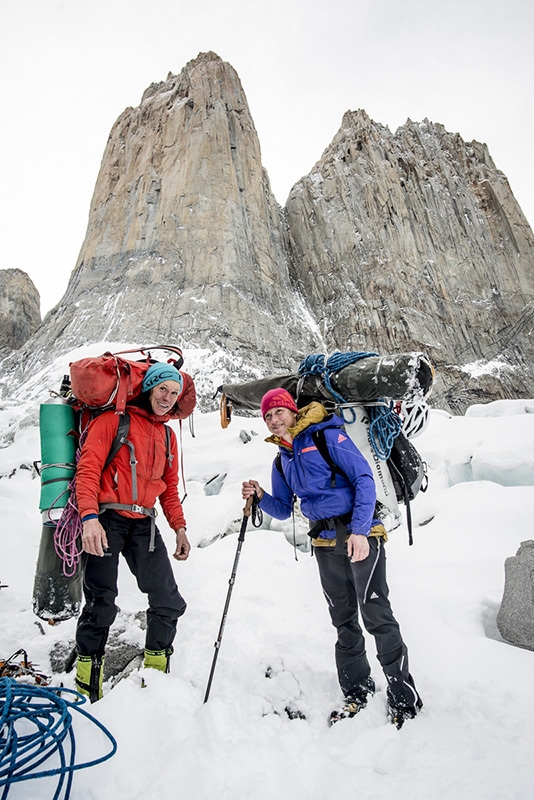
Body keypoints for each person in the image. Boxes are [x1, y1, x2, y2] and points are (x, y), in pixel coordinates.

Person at [242, 387, 422, 727]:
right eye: (267, 416)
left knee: (376, 614)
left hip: (361, 535)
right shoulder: (283, 459)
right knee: (343, 619)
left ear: (292, 412)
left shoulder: (327, 437)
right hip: (324, 542)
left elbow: (364, 479)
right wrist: (261, 495)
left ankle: (403, 696)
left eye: (278, 412)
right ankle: (357, 689)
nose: (273, 420)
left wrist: (360, 530)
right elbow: (281, 509)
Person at [74, 362, 191, 702]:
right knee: (101, 602)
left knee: (168, 600)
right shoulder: (112, 421)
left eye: (173, 392)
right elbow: (88, 470)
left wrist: (179, 528)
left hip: (145, 524)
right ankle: (87, 685)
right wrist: (88, 518)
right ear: (149, 389)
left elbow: (169, 488)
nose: (168, 398)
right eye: (162, 390)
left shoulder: (168, 436)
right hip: (106, 520)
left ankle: (156, 678)